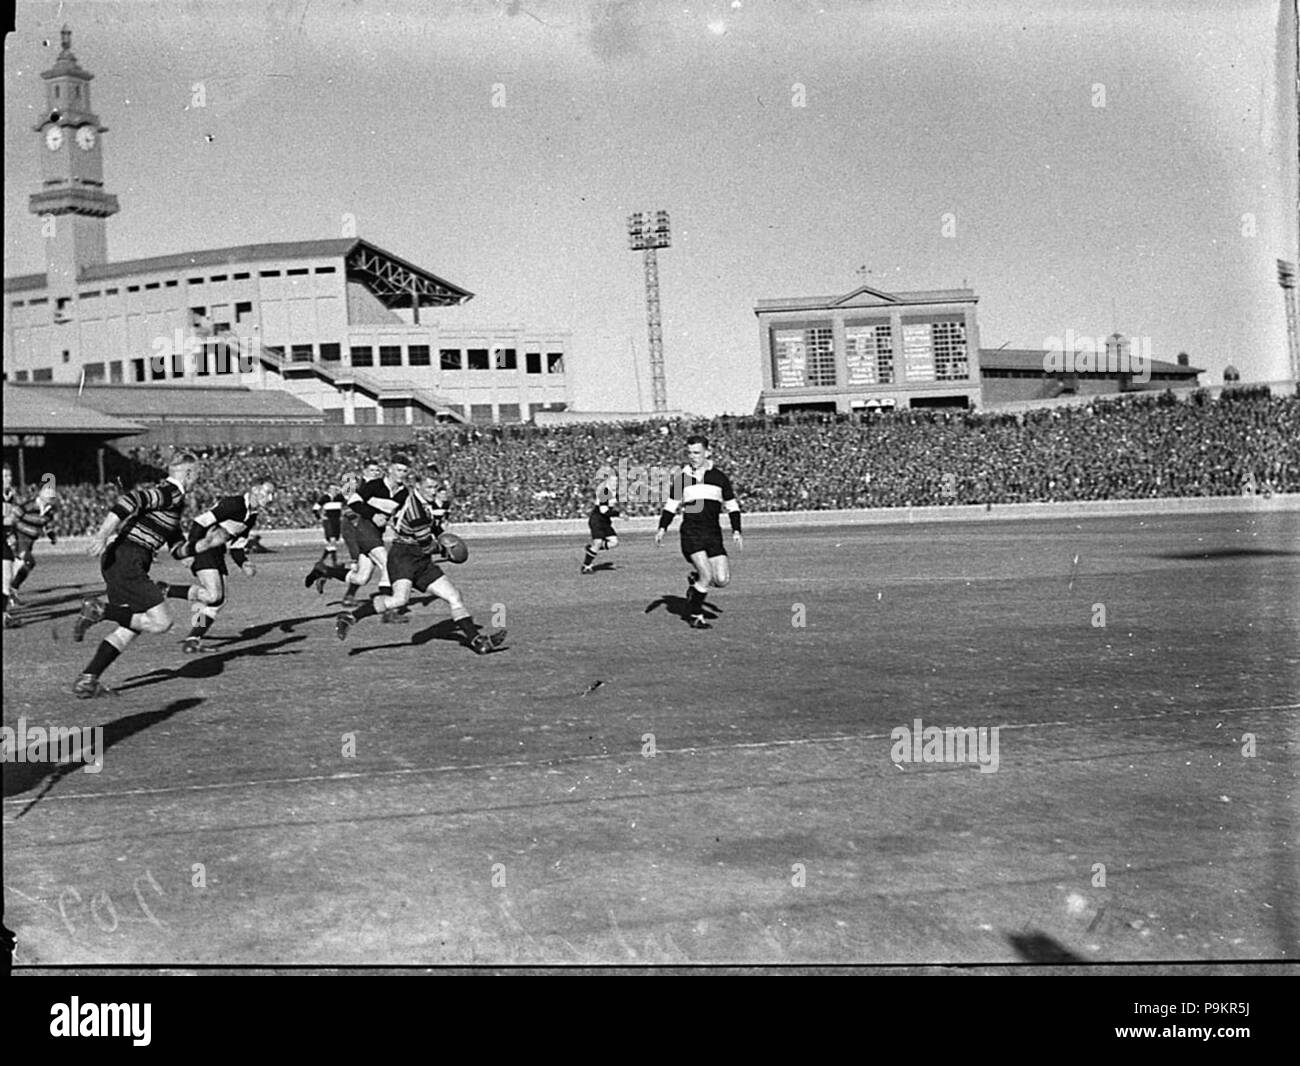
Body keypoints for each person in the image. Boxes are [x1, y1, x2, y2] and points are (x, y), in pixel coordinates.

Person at [70, 453, 203, 698]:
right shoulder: (170, 492)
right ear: (188, 473)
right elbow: (132, 499)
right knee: (162, 623)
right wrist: (101, 534)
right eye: (197, 474)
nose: (198, 479)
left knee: (129, 627)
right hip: (128, 560)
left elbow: (178, 548)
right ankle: (100, 610)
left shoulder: (173, 503)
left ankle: (88, 679)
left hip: (118, 560)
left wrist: (200, 548)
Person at [335, 471, 505, 654]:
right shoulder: (415, 511)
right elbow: (427, 546)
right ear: (418, 487)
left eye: (436, 487)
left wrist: (443, 537)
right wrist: (448, 551)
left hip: (420, 559)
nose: (433, 491)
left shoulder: (423, 503)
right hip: (403, 558)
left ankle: (477, 641)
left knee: (454, 596)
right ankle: (351, 617)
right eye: (429, 487)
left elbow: (434, 529)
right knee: (399, 600)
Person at [157, 480, 275, 653]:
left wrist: (244, 563)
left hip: (217, 553)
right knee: (213, 596)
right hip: (204, 548)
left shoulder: (252, 515)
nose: (271, 498)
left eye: (272, 494)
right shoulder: (234, 504)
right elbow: (200, 522)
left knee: (217, 602)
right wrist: (191, 550)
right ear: (255, 490)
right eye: (267, 493)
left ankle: (193, 639)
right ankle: (167, 590)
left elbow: (236, 546)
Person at [653, 435, 742, 629]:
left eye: (697, 452)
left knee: (722, 580)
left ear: (707, 452)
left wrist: (736, 530)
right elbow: (671, 506)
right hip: (691, 533)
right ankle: (695, 615)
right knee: (707, 575)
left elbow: (732, 506)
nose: (693, 457)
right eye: (690, 453)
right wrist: (662, 527)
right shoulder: (682, 479)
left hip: (713, 534)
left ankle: (694, 584)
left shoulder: (719, 477)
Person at [7, 477, 61, 612]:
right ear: (40, 493)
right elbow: (13, 519)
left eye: (52, 491)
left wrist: (52, 535)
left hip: (29, 541)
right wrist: (10, 536)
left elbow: (46, 525)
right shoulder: (28, 506)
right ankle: (9, 592)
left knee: (29, 563)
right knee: (23, 561)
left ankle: (12, 590)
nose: (50, 494)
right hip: (19, 537)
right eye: (47, 491)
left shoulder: (50, 510)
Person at [581, 486, 620, 574]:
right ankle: (586, 566)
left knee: (614, 542)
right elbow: (603, 510)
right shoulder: (605, 492)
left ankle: (591, 549)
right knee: (598, 543)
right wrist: (618, 514)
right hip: (597, 521)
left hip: (605, 522)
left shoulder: (614, 494)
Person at [311, 481, 346, 579]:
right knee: (332, 540)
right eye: (333, 489)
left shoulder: (340, 498)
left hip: (337, 521)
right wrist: (320, 518)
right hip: (328, 521)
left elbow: (348, 503)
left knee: (333, 543)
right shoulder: (324, 498)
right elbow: (315, 509)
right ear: (329, 490)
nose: (335, 491)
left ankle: (321, 561)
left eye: (336, 489)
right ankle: (334, 562)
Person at [2, 464, 17, 628]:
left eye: (10, 475)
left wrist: (11, 532)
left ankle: (4, 614)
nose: (8, 479)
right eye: (5, 476)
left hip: (4, 540)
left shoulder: (10, 495)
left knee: (7, 577)